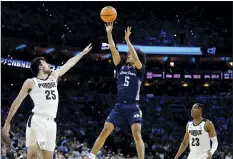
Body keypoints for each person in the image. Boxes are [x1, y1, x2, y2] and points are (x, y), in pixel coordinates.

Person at [2, 43, 92, 159]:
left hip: (51, 124)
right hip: (37, 120)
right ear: (40, 66)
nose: (49, 64)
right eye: (45, 63)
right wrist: (7, 123)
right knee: (32, 156)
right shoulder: (31, 82)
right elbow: (17, 102)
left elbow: (69, 64)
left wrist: (82, 53)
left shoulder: (53, 77)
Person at [89, 22, 146, 159]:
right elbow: (113, 49)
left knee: (136, 133)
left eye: (131, 54)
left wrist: (127, 41)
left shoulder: (139, 69)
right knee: (105, 130)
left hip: (133, 106)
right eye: (128, 54)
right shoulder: (120, 67)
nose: (129, 55)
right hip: (119, 105)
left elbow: (136, 58)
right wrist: (109, 33)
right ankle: (90, 156)